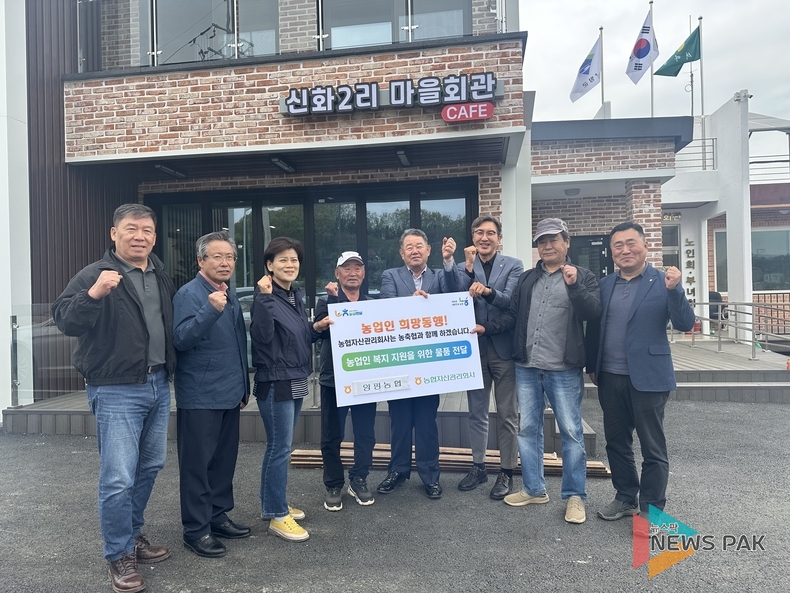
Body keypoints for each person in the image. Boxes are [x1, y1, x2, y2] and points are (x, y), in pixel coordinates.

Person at [52, 203, 174, 593]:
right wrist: (94, 294)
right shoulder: (95, 274)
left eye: (147, 230)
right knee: (118, 476)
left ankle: (132, 535)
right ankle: (118, 554)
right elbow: (65, 319)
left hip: (158, 383)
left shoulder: (160, 275)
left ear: (154, 236)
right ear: (114, 233)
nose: (140, 236)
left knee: (150, 464)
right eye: (131, 229)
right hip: (115, 388)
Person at [473, 218, 600, 524]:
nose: (547, 246)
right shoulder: (528, 278)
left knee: (571, 433)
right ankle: (533, 488)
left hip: (564, 369)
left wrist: (574, 286)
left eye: (553, 240)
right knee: (528, 430)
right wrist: (486, 328)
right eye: (542, 241)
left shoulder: (583, 276)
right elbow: (512, 315)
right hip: (527, 366)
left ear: (567, 242)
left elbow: (593, 313)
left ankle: (574, 496)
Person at [586, 222, 695, 521]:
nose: (625, 250)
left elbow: (685, 324)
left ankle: (651, 509)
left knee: (652, 447)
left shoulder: (663, 281)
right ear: (612, 252)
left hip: (650, 377)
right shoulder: (605, 285)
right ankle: (625, 497)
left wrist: (675, 291)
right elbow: (594, 327)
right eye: (618, 245)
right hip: (610, 376)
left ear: (645, 246)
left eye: (631, 243)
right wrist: (591, 365)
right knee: (616, 443)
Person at [172, 231, 250, 558]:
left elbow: (237, 345)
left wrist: (243, 386)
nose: (225, 262)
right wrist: (209, 310)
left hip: (229, 392)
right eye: (217, 256)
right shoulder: (189, 294)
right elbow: (180, 339)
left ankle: (217, 517)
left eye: (230, 257)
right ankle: (196, 529)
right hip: (200, 394)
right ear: (200, 260)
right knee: (197, 465)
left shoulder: (227, 293)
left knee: (222, 462)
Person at [250, 237, 332, 542]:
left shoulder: (293, 295)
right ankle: (277, 515)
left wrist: (316, 328)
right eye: (282, 260)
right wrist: (264, 297)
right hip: (276, 381)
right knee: (280, 448)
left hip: (295, 376)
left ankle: (272, 504)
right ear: (269, 266)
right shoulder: (266, 296)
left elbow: (297, 335)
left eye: (294, 259)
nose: (290, 265)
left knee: (279, 447)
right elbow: (262, 336)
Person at [376, 229, 461, 499]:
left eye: (419, 246)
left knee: (426, 423)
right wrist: (409, 306)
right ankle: (398, 471)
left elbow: (455, 295)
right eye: (409, 247)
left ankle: (430, 476)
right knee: (399, 422)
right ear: (402, 253)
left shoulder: (440, 275)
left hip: (429, 364)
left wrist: (449, 262)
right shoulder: (390, 276)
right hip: (400, 362)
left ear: (428, 250)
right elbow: (385, 307)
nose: (414, 250)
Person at [456, 216, 524, 499]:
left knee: (508, 414)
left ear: (499, 238)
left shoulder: (514, 265)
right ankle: (479, 466)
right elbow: (454, 301)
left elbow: (510, 302)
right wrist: (468, 269)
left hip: (503, 349)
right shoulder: (462, 267)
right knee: (476, 412)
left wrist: (486, 291)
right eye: (479, 232)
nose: (484, 238)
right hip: (473, 350)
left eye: (491, 233)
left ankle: (506, 471)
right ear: (473, 237)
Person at [314, 251, 377, 511]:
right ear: (337, 274)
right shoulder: (325, 301)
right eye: (346, 268)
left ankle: (359, 478)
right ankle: (333, 484)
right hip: (333, 380)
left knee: (365, 434)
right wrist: (334, 299)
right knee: (332, 436)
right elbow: (319, 332)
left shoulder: (374, 305)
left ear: (363, 273)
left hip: (365, 379)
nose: (352, 273)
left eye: (357, 268)